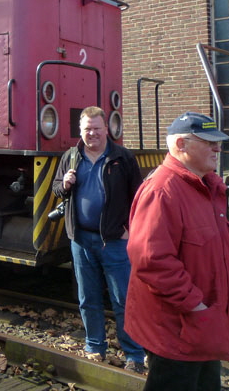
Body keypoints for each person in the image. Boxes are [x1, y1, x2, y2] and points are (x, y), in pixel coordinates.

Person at [126, 112, 229, 391]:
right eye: (209, 142)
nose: (217, 148)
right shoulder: (162, 191)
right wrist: (196, 304)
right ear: (181, 144)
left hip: (202, 323)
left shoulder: (205, 186)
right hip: (178, 328)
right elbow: (151, 260)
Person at [52, 106, 145, 371]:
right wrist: (66, 184)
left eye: (96, 128)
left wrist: (130, 228)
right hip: (81, 241)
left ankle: (134, 354)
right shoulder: (71, 157)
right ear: (80, 131)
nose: (91, 133)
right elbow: (57, 188)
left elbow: (138, 198)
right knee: (88, 298)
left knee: (123, 299)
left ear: (107, 129)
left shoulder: (122, 158)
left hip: (115, 241)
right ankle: (94, 347)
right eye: (86, 129)